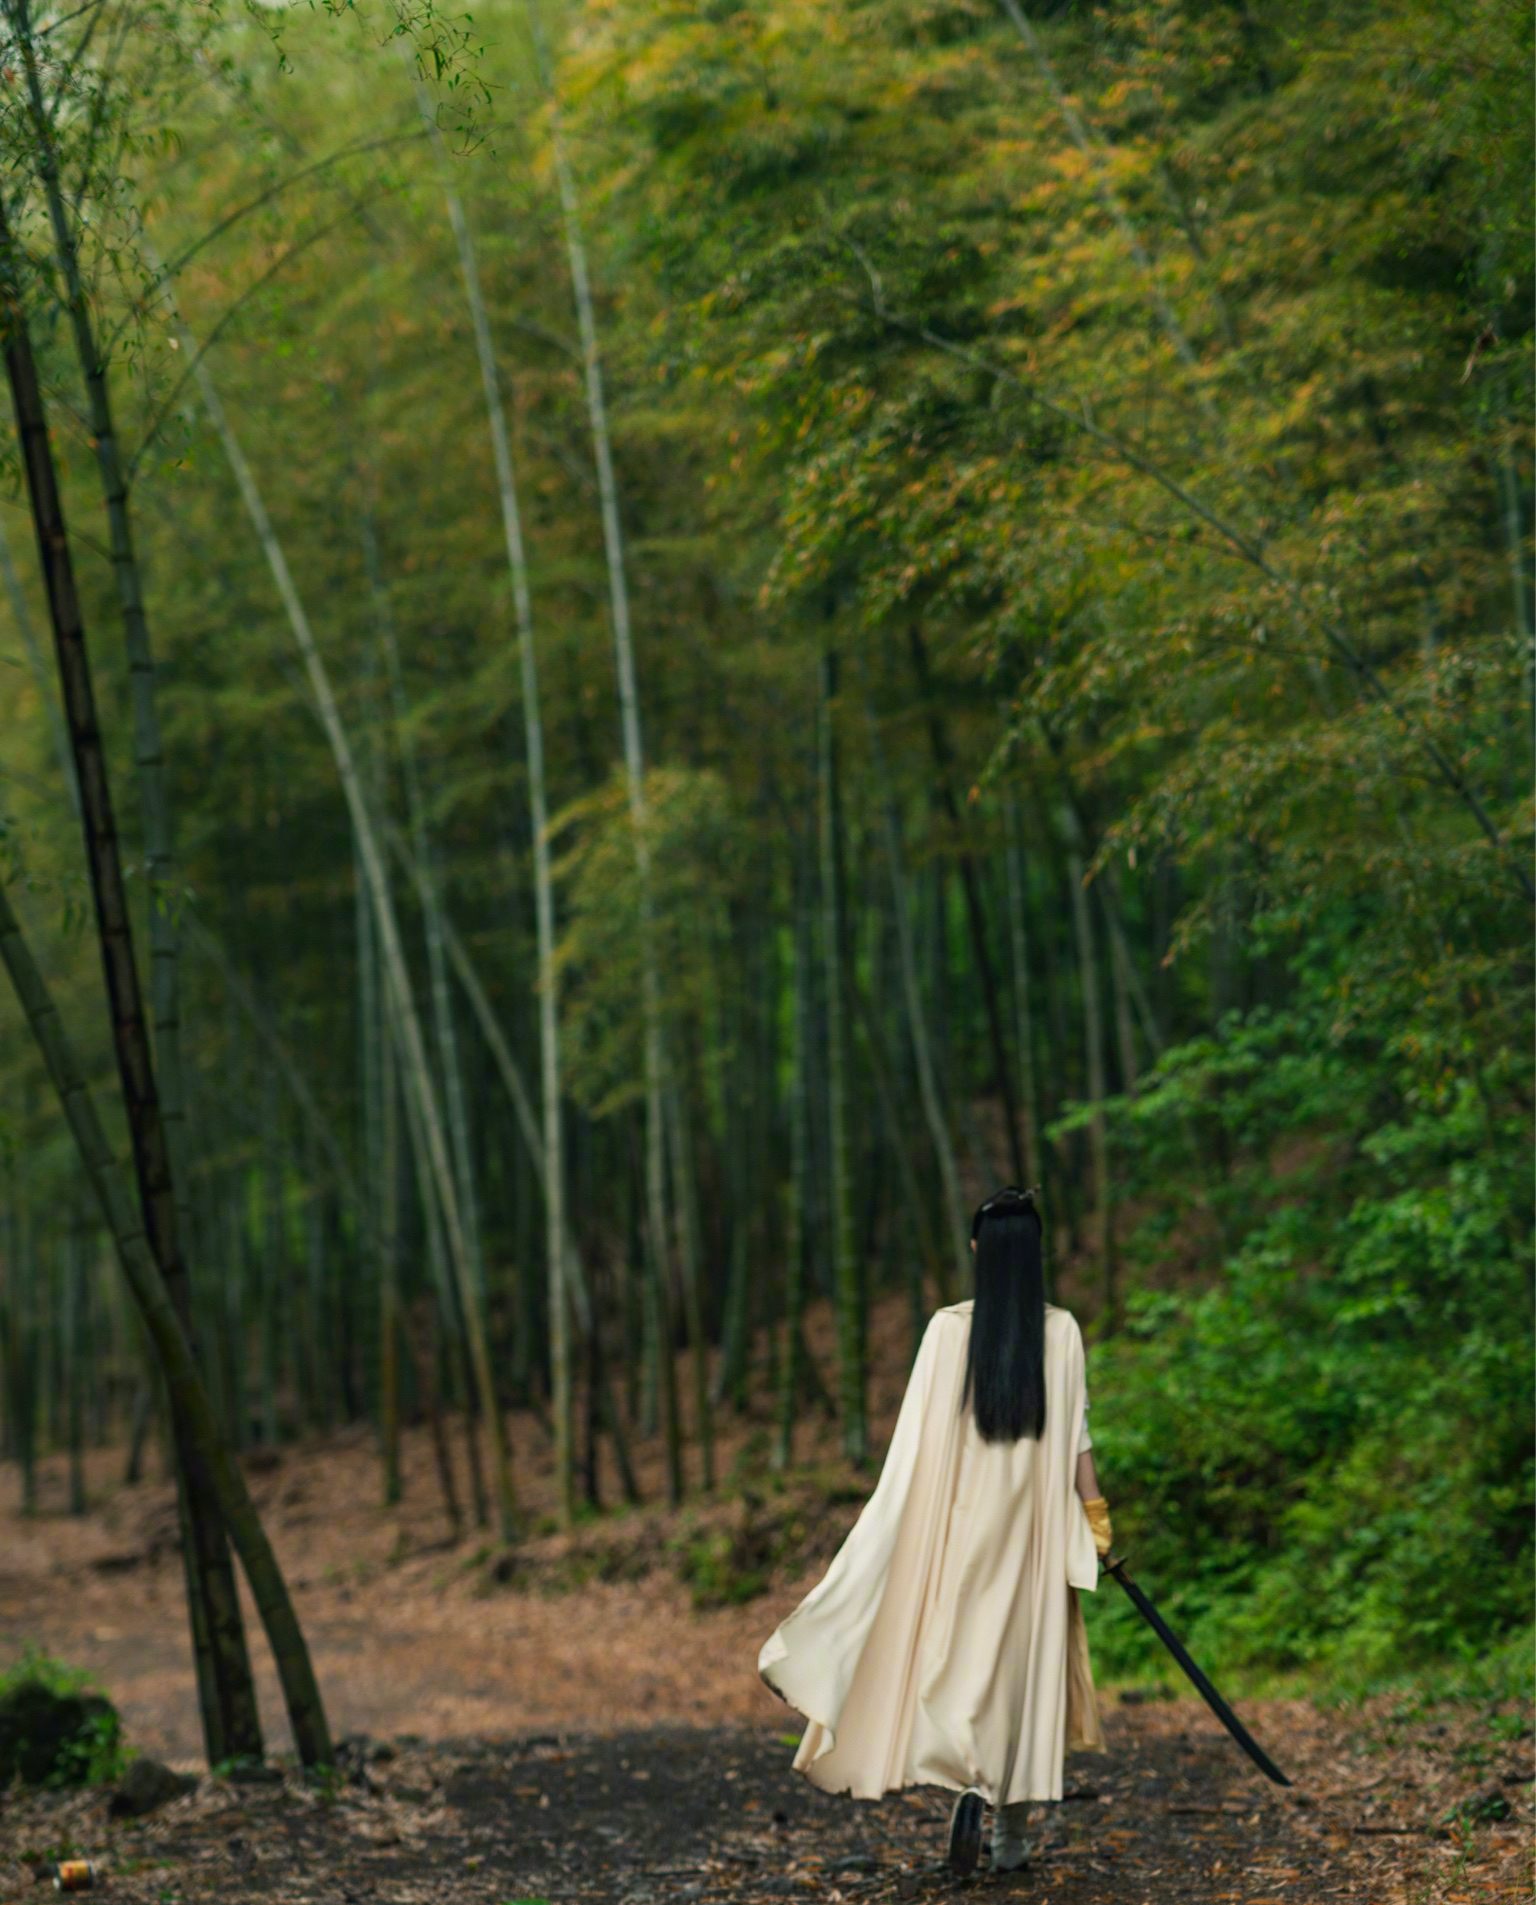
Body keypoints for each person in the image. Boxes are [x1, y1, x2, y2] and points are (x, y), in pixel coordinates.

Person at [758, 1186, 1115, 1875]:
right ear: (1036, 1253)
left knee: (960, 1665)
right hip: (1034, 1541)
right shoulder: (1062, 1330)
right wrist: (1095, 1518)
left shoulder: (949, 1329)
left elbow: (918, 1445)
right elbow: (1078, 1438)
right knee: (1020, 1676)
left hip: (960, 1535)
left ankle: (973, 1782)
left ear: (979, 1251)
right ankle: (1009, 1830)